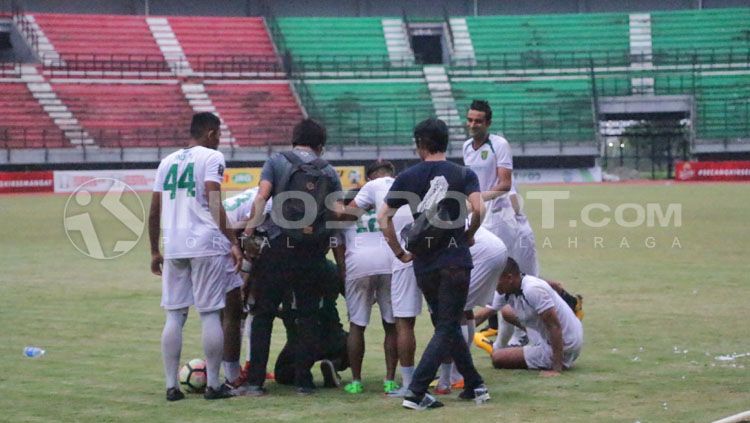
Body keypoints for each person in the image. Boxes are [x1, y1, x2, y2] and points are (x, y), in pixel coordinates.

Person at [379, 118, 489, 410]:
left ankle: (475, 384)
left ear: (421, 144)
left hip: (424, 263)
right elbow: (479, 208)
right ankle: (415, 392)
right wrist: (470, 234)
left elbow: (383, 218)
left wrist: (399, 252)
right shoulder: (463, 173)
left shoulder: (407, 177)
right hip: (455, 260)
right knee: (447, 325)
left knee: (446, 324)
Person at [240, 118, 345, 395]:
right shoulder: (330, 171)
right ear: (320, 146)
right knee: (308, 315)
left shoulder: (276, 161)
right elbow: (336, 214)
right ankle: (304, 381)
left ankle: (255, 382)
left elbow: (262, 197)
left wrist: (249, 232)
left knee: (263, 314)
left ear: (294, 139)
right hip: (311, 251)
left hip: (278, 247)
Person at [148, 112, 243, 401]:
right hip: (206, 243)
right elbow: (214, 200)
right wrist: (233, 240)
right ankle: (214, 385)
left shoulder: (166, 162)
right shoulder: (212, 158)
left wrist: (154, 250)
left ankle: (170, 386)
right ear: (212, 133)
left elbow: (154, 210)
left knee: (175, 315)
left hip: (175, 244)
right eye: (220, 135)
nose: (221, 140)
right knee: (210, 312)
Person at [341, 160, 398, 394]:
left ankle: (355, 381)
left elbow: (338, 246)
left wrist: (343, 275)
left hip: (358, 264)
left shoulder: (351, 208)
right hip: (390, 262)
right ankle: (390, 380)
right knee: (392, 325)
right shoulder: (397, 196)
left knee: (357, 325)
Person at [477, 258, 584, 375]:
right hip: (547, 334)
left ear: (509, 278)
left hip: (566, 345)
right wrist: (458, 328)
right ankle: (527, 343)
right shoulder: (506, 288)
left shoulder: (532, 289)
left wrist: (556, 368)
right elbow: (482, 315)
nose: (492, 285)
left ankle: (542, 353)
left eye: (495, 281)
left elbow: (554, 326)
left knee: (497, 358)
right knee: (506, 311)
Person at [274, 260, 349, 388]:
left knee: (282, 373)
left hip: (297, 339)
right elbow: (350, 295)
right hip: (330, 334)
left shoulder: (285, 270)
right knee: (353, 343)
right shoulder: (331, 270)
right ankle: (334, 362)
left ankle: (300, 372)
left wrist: (287, 313)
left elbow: (271, 305)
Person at [462, 99, 516, 253]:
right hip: (476, 212)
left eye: (478, 121)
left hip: (497, 215)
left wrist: (478, 199)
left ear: (488, 123)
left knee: (502, 263)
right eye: (470, 120)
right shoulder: (466, 146)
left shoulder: (500, 144)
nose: (472, 125)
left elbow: (505, 184)